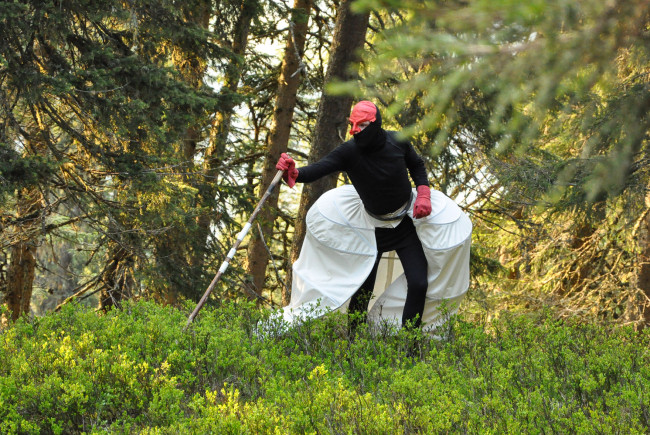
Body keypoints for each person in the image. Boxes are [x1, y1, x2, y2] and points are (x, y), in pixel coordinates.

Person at [275, 100, 433, 329]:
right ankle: (353, 346)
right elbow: (320, 168)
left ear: (376, 124)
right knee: (362, 289)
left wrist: (424, 194)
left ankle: (410, 347)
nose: (355, 131)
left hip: (404, 224)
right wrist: (295, 172)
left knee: (419, 283)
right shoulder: (350, 151)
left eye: (362, 125)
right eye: (352, 124)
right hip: (370, 230)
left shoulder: (397, 141)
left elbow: (417, 165)